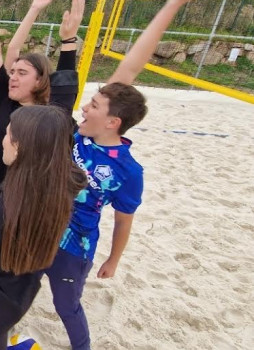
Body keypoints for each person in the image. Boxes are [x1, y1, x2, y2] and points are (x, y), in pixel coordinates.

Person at [45, 1, 190, 349]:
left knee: (66, 305)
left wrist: (113, 259)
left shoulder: (128, 171)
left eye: (93, 105)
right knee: (15, 283)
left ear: (113, 122)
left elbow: (124, 221)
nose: (85, 106)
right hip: (41, 227)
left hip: (74, 248)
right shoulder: (80, 132)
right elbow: (131, 65)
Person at [0, 106, 87, 350]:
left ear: (21, 146)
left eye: (7, 135)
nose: (3, 141)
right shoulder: (58, 195)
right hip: (17, 296)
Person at [0, 0, 83, 194]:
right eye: (12, 72)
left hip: (22, 201)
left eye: (22, 73)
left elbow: (65, 86)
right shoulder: (6, 99)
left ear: (40, 81)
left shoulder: (49, 116)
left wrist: (68, 41)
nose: (13, 77)